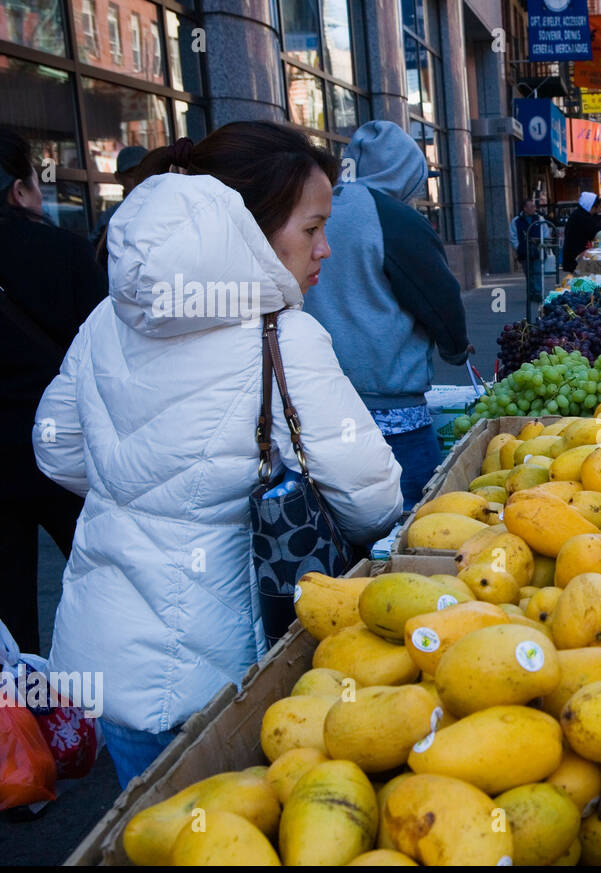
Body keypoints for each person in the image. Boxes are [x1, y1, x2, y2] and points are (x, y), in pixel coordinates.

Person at [32, 123, 403, 787]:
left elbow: (55, 449)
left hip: (106, 656)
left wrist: (139, 493)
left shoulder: (106, 320)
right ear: (246, 229)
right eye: (312, 228)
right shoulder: (283, 335)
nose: (326, 249)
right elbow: (371, 494)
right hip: (228, 673)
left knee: (148, 831)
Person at [302, 121, 470, 509]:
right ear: (406, 173)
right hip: (392, 414)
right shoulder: (394, 219)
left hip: (321, 406)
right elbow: (439, 298)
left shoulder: (320, 210)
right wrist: (455, 348)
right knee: (408, 524)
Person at [0, 130, 107, 656]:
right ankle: (103, 699)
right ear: (19, 189)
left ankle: (21, 720)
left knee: (10, 605)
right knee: (100, 579)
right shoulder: (66, 251)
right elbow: (104, 352)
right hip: (67, 447)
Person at [89, 145, 147, 269]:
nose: (139, 179)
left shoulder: (172, 206)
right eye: (131, 175)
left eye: (144, 172)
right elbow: (94, 256)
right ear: (118, 178)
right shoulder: (111, 218)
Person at [511, 198, 550, 304]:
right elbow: (513, 236)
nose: (534, 208)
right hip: (524, 251)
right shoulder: (516, 221)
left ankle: (538, 293)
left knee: (537, 272)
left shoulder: (540, 219)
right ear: (525, 208)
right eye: (531, 206)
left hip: (538, 250)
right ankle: (531, 293)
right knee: (529, 273)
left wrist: (543, 244)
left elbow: (546, 233)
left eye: (534, 206)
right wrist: (518, 247)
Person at [562, 191, 601, 274]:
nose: (597, 210)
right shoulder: (583, 217)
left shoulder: (579, 214)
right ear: (590, 206)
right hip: (576, 258)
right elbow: (594, 235)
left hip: (576, 256)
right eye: (596, 208)